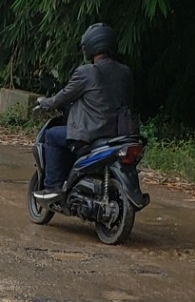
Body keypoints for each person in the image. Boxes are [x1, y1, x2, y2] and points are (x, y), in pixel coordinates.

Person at [32, 22, 135, 203]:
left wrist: (45, 103)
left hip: (91, 134)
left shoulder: (87, 72)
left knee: (52, 136)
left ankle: (54, 186)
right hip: (120, 135)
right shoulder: (125, 72)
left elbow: (62, 97)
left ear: (90, 47)